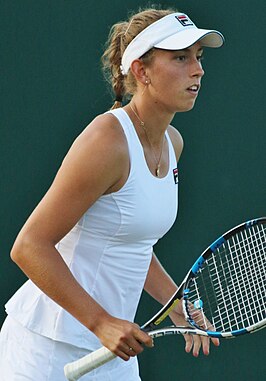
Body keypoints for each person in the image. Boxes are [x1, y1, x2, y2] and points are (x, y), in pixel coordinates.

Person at [0, 7, 224, 381]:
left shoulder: (173, 143)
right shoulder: (106, 141)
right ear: (141, 71)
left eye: (198, 58)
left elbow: (131, 240)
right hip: (45, 350)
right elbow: (29, 246)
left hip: (111, 353)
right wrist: (101, 322)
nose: (197, 69)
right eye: (180, 58)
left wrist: (174, 303)